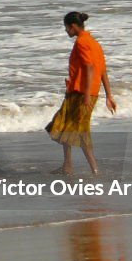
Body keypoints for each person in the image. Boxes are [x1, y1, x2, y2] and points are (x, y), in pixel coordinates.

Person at [46, 12, 117, 175]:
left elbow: (90, 68)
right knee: (63, 126)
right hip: (80, 93)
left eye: (66, 28)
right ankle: (67, 165)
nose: (66, 32)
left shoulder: (82, 42)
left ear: (73, 26)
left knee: (80, 131)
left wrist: (85, 95)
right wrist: (109, 95)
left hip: (82, 94)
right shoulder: (94, 43)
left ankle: (95, 169)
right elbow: (103, 71)